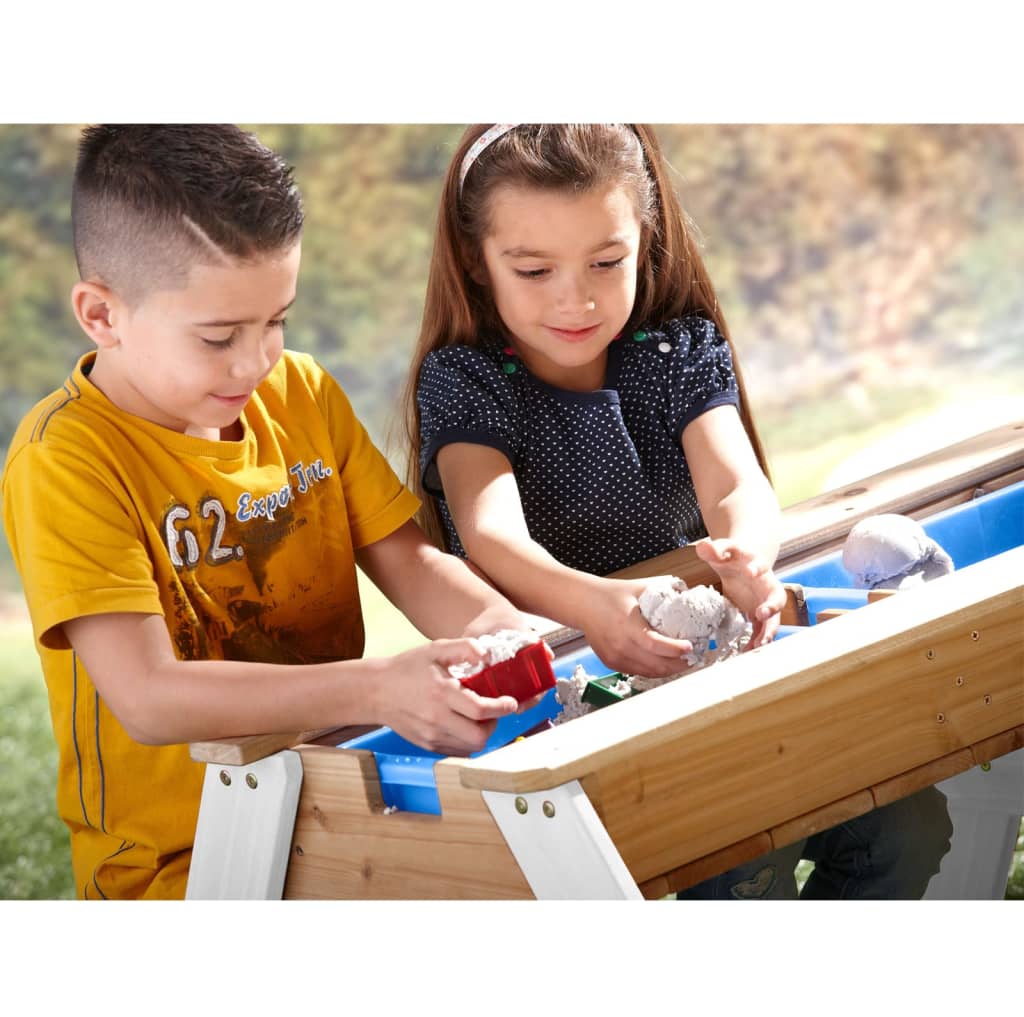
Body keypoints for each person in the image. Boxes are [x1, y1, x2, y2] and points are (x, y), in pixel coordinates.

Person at [402, 123, 952, 899]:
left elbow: (736, 486)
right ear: (475, 262)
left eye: (606, 261)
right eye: (534, 269)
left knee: (908, 828)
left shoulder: (676, 354)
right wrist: (598, 608)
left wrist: (749, 555)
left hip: (712, 679)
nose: (577, 297)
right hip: (572, 719)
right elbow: (490, 534)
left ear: (645, 240)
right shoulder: (467, 381)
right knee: (734, 866)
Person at [0, 124, 538, 901]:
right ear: (101, 315)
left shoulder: (303, 391)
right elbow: (150, 697)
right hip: (186, 865)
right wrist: (378, 688)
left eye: (275, 320)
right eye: (218, 337)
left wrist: (496, 630)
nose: (255, 361)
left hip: (338, 804)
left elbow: (411, 562)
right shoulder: (64, 458)